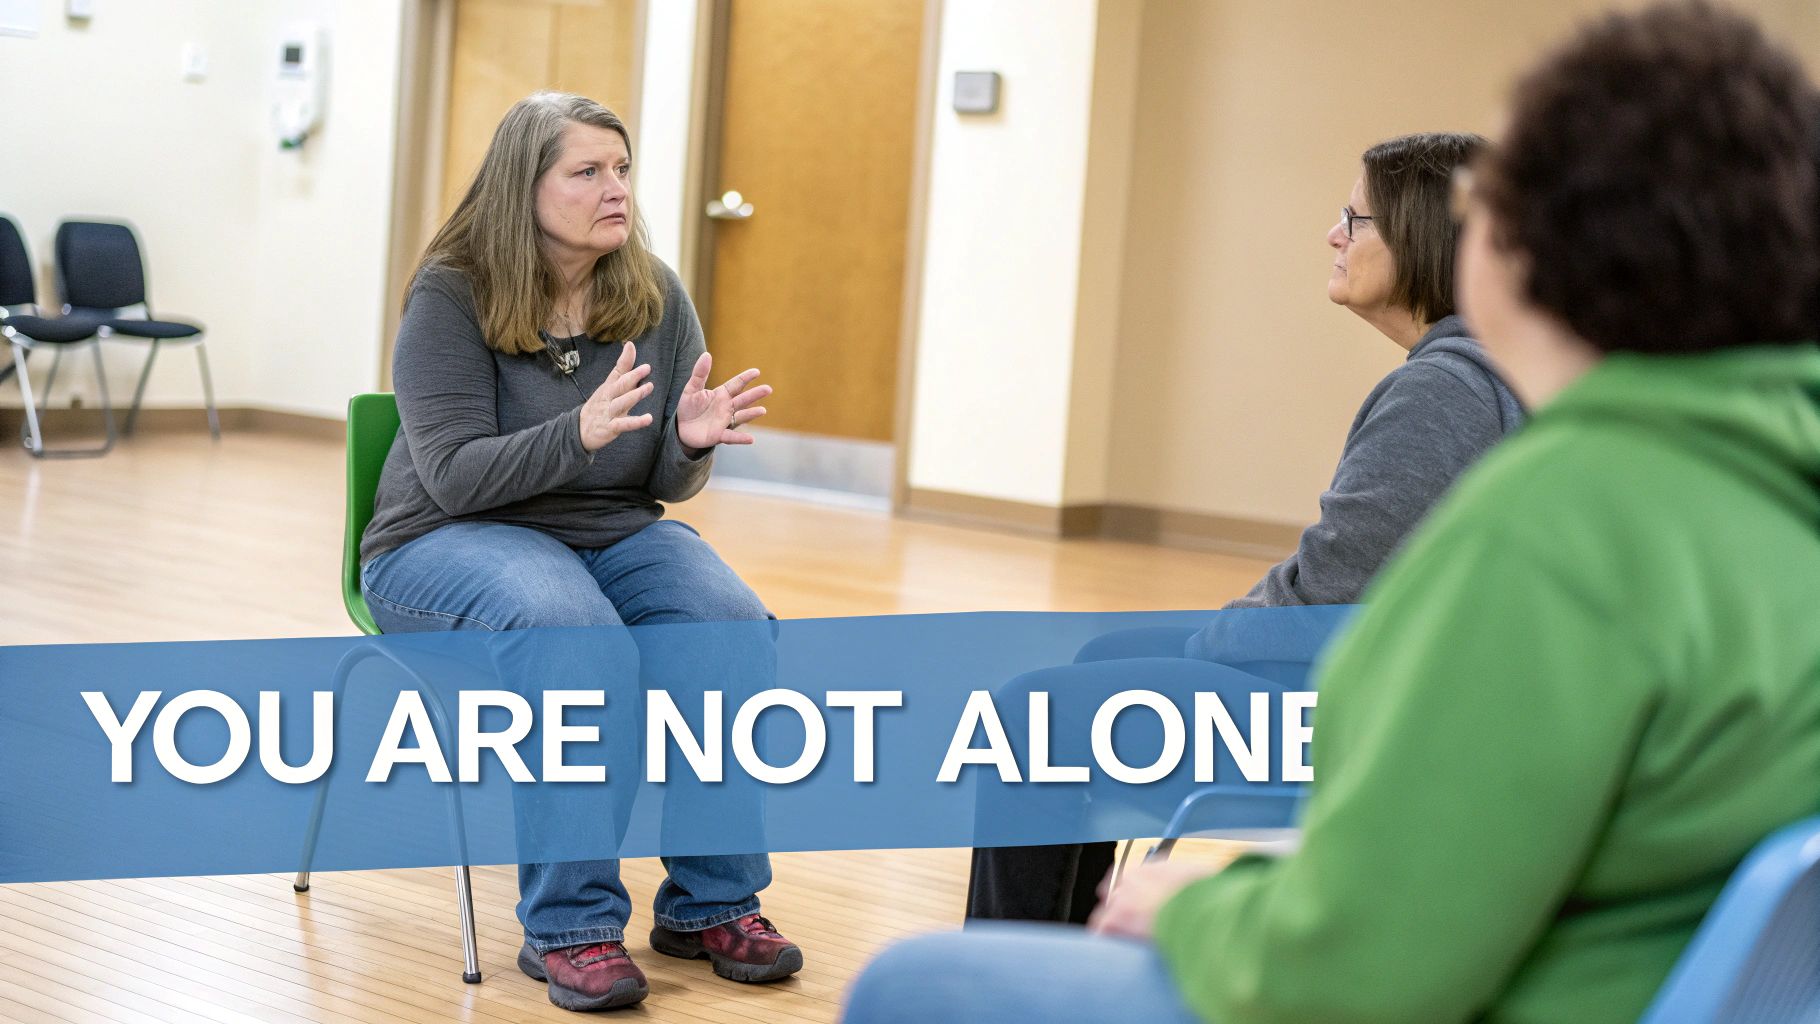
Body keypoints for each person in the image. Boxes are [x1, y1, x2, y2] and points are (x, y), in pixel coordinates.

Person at [851, 3, 1820, 1021]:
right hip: (1629, 970)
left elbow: (1357, 966)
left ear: (1535, 240)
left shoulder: (1556, 521)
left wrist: (1201, 905)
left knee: (914, 982)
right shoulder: (1756, 483)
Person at [967, 131, 1524, 926]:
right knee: (1100, 659)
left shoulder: (1443, 394)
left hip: (1368, 721)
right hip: (1417, 688)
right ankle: (1052, 957)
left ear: (1426, 240)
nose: (1335, 236)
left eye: (1355, 220)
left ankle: (1002, 989)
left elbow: (1324, 604)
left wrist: (1217, 638)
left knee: (1030, 717)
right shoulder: (1493, 371)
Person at [359, 92, 800, 1012]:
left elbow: (665, 486)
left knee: (725, 624)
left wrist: (687, 442)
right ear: (526, 186)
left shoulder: (652, 291)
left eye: (623, 169)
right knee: (574, 635)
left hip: (606, 533)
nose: (616, 190)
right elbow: (451, 478)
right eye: (587, 171)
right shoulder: (453, 287)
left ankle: (711, 901)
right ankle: (573, 924)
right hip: (444, 539)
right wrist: (577, 434)